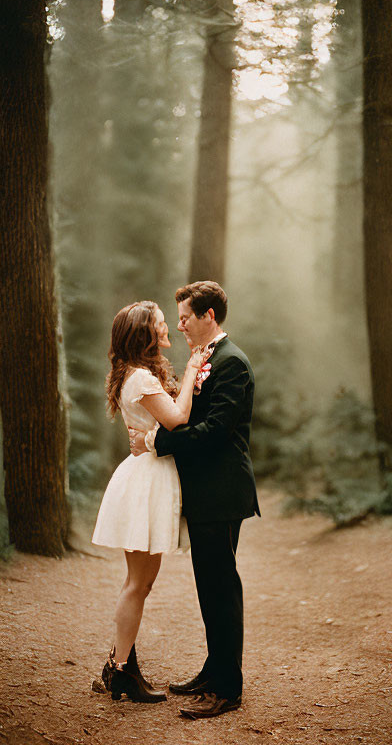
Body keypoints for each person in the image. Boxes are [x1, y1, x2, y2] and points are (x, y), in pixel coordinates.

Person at [129, 281, 259, 720]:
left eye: (185, 316)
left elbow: (215, 432)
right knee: (209, 587)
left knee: (223, 588)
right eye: (178, 317)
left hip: (223, 491)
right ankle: (212, 669)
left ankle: (227, 688)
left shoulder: (233, 363)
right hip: (204, 493)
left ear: (209, 317)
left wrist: (155, 441)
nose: (179, 323)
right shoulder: (204, 360)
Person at [92, 300, 203, 702]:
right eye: (160, 323)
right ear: (146, 334)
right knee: (138, 583)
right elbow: (177, 420)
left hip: (148, 475)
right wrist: (191, 372)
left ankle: (120, 663)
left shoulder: (139, 375)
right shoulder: (140, 378)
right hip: (145, 481)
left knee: (142, 581)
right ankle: (120, 669)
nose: (168, 327)